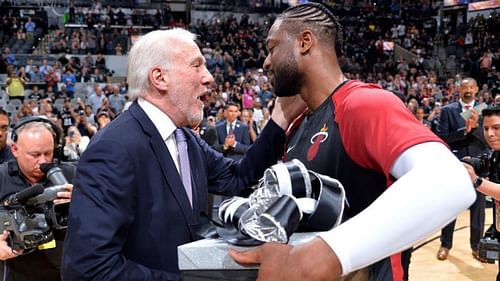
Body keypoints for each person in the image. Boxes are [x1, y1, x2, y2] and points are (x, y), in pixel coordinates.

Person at [229, 3, 475, 281]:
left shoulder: (361, 103)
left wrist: (325, 255)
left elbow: (450, 180)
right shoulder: (297, 126)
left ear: (305, 42)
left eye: (272, 48)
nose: (266, 62)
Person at [61, 28, 303, 281]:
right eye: (196, 65)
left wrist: (279, 119)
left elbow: (237, 178)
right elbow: (87, 269)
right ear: (159, 77)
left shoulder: (185, 138)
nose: (209, 78)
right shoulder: (114, 148)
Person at [0, 117, 74, 281]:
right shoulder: (1, 177)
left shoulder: (71, 175)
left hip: (65, 272)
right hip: (16, 272)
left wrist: (83, 202)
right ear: (15, 149)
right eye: (35, 154)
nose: (43, 161)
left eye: (48, 153)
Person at [436, 77, 488, 261]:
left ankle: (477, 246)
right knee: (451, 206)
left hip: (479, 164)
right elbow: (442, 137)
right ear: (459, 89)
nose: (468, 89)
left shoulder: (484, 110)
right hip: (455, 164)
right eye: (464, 86)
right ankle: (445, 244)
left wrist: (475, 129)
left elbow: (490, 138)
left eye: (472, 86)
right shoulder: (448, 111)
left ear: (476, 89)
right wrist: (464, 130)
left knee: (478, 209)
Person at [463, 105, 500, 280]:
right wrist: (467, 163)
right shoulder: (496, 153)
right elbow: (487, 163)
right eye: (486, 128)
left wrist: (476, 181)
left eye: (496, 128)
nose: (490, 134)